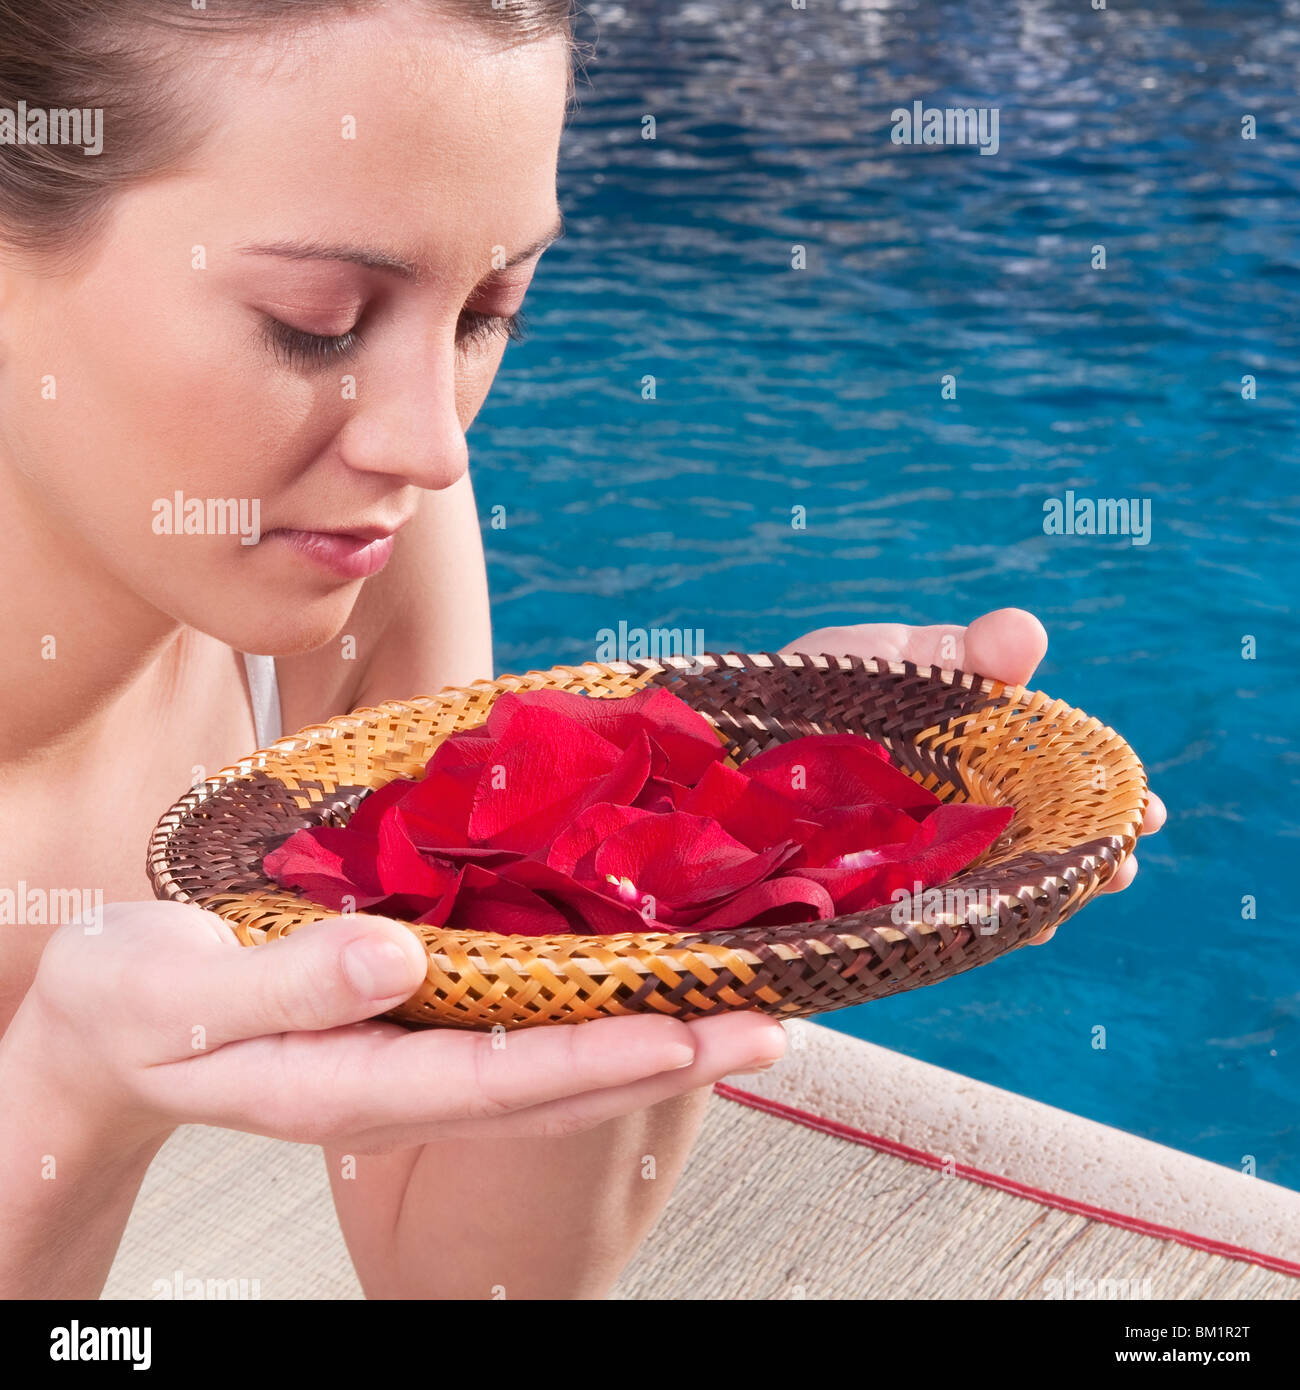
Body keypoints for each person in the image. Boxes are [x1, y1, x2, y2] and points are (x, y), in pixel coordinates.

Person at [0, 0, 1164, 1299]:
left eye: (488, 310)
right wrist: (68, 1105)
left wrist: (678, 893)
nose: (432, 445)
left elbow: (452, 1281)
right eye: (317, 324)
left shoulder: (374, 557)